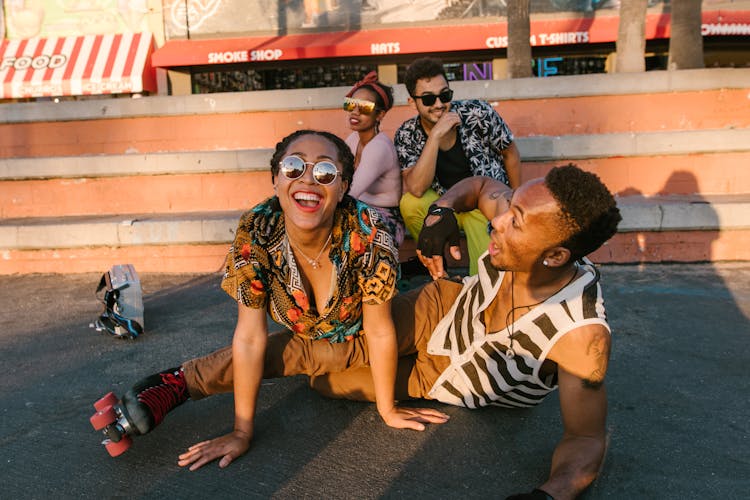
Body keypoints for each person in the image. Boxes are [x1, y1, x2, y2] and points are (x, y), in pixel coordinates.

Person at [97, 130, 448, 470]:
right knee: (324, 377)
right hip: (322, 347)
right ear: (276, 180)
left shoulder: (366, 232)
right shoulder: (257, 232)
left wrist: (388, 410)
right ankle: (178, 383)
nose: (308, 180)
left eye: (325, 171)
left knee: (326, 372)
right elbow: (250, 337)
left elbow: (380, 330)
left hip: (377, 329)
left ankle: (179, 381)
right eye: (294, 167)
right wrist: (241, 432)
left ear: (342, 189)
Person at [311, 164, 622, 499]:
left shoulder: (580, 335)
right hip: (446, 307)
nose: (498, 220)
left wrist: (548, 495)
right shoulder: (524, 218)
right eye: (510, 206)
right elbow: (480, 185)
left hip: (445, 378)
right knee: (323, 350)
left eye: (514, 221)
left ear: (556, 256)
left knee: (325, 381)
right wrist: (441, 210)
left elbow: (586, 439)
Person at [394, 56, 522, 275]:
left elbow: (510, 152)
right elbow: (416, 188)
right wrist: (434, 137)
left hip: (481, 203)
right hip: (445, 202)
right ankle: (437, 265)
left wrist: (517, 201)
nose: (439, 104)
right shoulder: (407, 134)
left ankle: (482, 291)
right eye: (428, 99)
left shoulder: (477, 114)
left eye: (445, 95)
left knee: (486, 272)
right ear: (412, 102)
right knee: (410, 203)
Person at [343, 71, 405, 245]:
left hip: (385, 221)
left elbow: (350, 191)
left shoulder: (379, 147)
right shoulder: (353, 139)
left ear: (379, 115)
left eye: (364, 108)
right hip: (360, 212)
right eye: (351, 105)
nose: (355, 112)